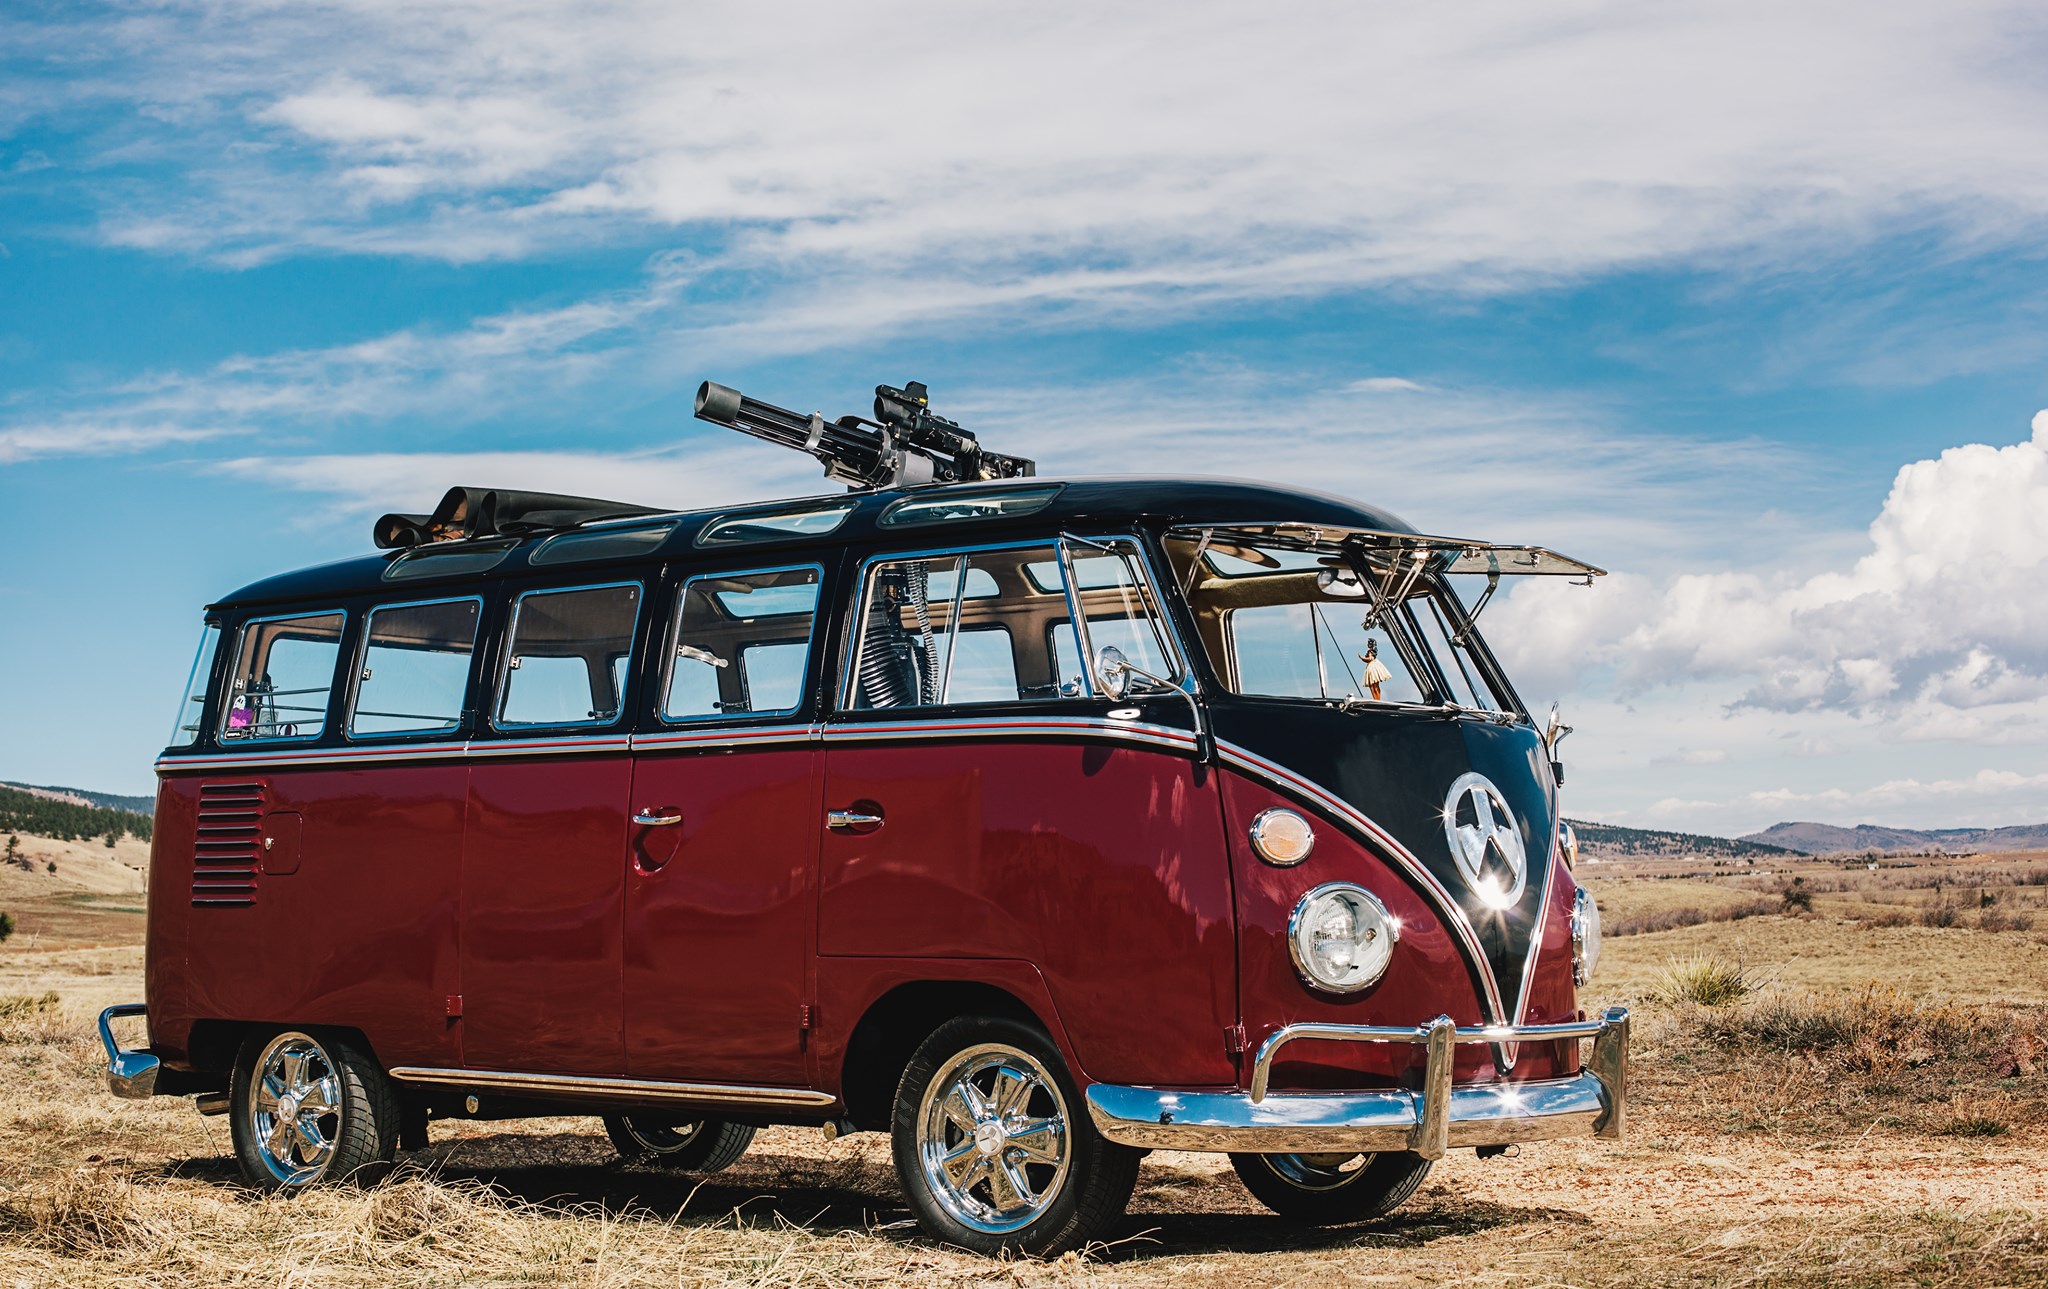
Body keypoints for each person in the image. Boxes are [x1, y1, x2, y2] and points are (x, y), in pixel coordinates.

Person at [1359, 636, 1393, 701]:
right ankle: (1376, 699)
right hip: (1372, 666)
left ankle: (1377, 699)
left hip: (1372, 667)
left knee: (1374, 685)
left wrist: (1362, 658)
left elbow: (1370, 658)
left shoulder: (1370, 651)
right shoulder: (1371, 651)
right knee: (1373, 685)